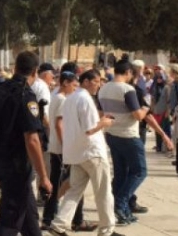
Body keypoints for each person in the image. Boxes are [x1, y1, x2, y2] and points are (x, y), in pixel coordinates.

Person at [47, 69, 120, 236]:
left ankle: (59, 224)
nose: (99, 85)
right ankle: (107, 229)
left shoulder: (71, 98)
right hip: (91, 151)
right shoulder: (84, 99)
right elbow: (89, 129)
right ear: (86, 81)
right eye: (96, 81)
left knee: (74, 190)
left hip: (76, 152)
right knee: (103, 191)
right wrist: (104, 123)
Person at [0, 51, 52, 236]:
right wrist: (44, 176)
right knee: (10, 218)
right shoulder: (25, 95)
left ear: (15, 68)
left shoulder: (1, 88)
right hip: (16, 163)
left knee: (28, 213)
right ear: (35, 71)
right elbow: (32, 140)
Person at [42, 71, 96, 232]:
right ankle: (59, 218)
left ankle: (61, 217)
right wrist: (67, 146)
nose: (75, 88)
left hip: (59, 147)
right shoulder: (62, 99)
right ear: (65, 83)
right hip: (61, 149)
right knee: (70, 183)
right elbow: (59, 124)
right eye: (73, 85)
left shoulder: (57, 96)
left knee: (70, 183)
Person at [98, 60, 149, 226]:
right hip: (128, 136)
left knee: (120, 173)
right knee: (139, 171)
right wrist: (146, 107)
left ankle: (117, 207)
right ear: (128, 72)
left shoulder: (103, 88)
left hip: (112, 134)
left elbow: (101, 113)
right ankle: (121, 202)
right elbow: (138, 115)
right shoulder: (127, 89)